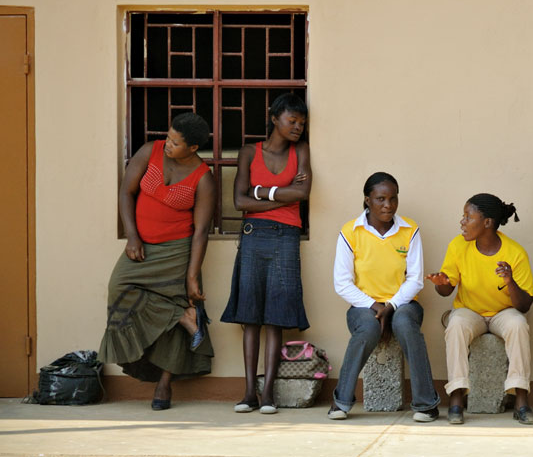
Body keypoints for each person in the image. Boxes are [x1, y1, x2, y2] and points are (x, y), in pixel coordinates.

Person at [99, 112, 216, 411]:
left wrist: (192, 276)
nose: (167, 144)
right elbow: (126, 192)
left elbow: (201, 231)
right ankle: (183, 315)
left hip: (177, 252)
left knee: (174, 316)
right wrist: (132, 237)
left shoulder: (203, 178)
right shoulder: (148, 151)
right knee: (119, 289)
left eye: (175, 143)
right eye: (167, 137)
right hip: (142, 246)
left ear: (192, 148)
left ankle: (164, 385)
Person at [221, 93, 312, 414]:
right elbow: (239, 202)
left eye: (302, 122)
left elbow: (302, 193)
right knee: (250, 318)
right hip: (252, 236)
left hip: (286, 237)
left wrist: (262, 192)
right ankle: (248, 393)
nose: (298, 127)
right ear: (274, 118)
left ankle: (268, 394)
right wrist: (281, 198)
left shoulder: (301, 151)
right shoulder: (249, 152)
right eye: (292, 120)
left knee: (275, 318)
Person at [329, 172, 440, 422]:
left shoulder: (409, 229)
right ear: (367, 200)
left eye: (392, 198)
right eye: (380, 199)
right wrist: (374, 305)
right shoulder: (351, 232)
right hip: (363, 306)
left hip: (404, 305)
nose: (387, 205)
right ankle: (341, 401)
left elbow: (415, 278)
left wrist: (390, 305)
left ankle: (426, 404)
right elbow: (342, 283)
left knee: (404, 323)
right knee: (368, 329)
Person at [427, 194, 533, 426]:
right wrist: (441, 283)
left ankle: (521, 400)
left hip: (502, 313)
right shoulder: (458, 245)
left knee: (518, 325)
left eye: (468, 217)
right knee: (456, 324)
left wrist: (510, 281)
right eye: (463, 216)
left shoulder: (515, 252)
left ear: (487, 222)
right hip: (470, 312)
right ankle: (457, 399)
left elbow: (524, 306)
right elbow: (447, 291)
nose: (462, 222)